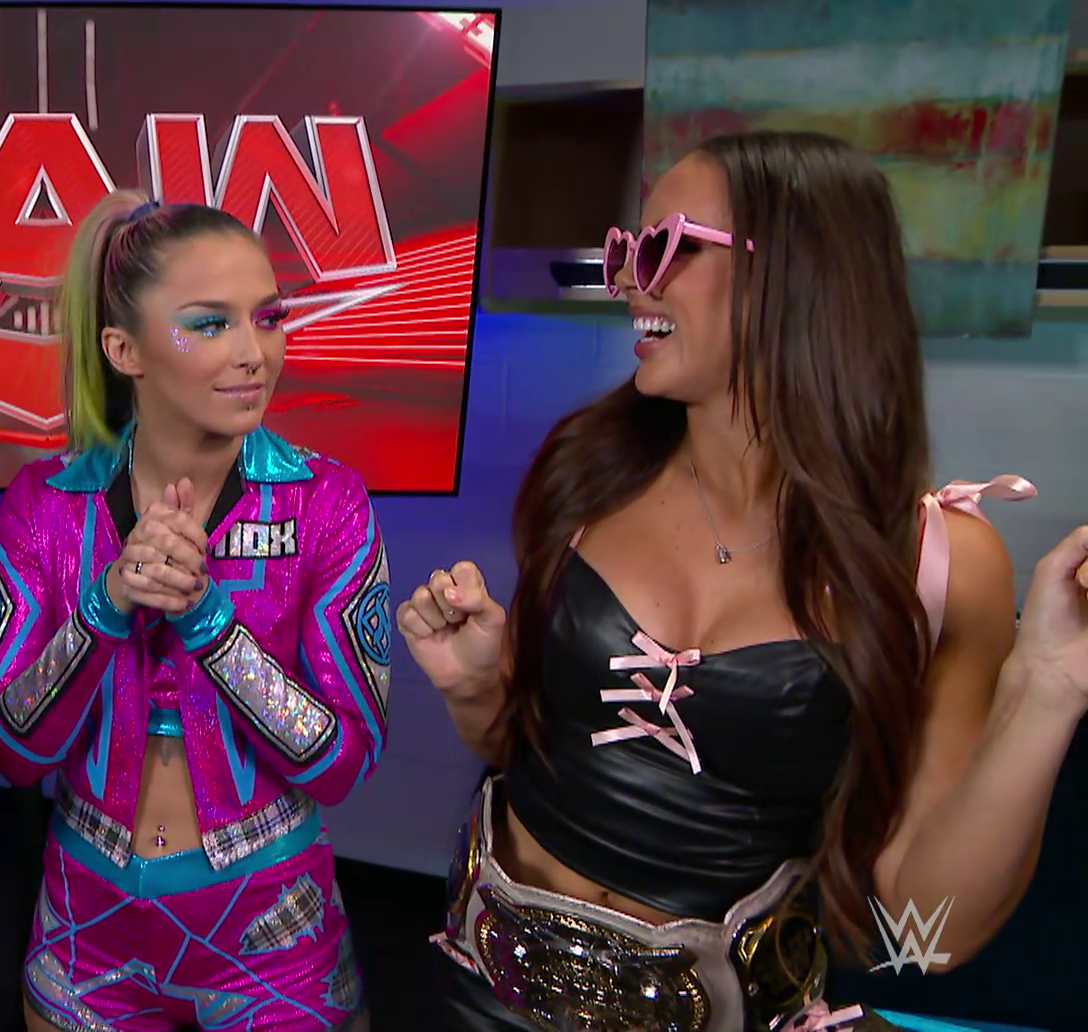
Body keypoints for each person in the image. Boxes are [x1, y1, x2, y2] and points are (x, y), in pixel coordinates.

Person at [402, 129, 1085, 1032]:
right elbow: (518, 746)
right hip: (483, 992)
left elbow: (930, 936)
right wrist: (474, 690)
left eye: (664, 248)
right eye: (624, 250)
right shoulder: (587, 474)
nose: (629, 281)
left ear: (794, 272)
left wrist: (1048, 688)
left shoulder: (939, 563)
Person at [0, 191, 393, 1032]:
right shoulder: (45, 504)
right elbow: (11, 751)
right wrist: (106, 607)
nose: (254, 354)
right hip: (85, 927)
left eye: (267, 318)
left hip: (276, 930)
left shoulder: (326, 502)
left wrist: (210, 625)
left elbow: (344, 765)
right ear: (122, 348)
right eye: (210, 324)